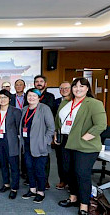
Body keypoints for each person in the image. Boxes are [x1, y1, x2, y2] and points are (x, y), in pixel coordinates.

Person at [56, 78, 107, 215]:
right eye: (75, 86)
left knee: (81, 173)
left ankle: (84, 204)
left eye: (81, 86)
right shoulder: (66, 102)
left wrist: (84, 138)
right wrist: (57, 132)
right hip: (66, 141)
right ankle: (73, 197)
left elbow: (101, 125)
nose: (78, 89)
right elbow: (59, 120)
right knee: (68, 171)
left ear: (87, 88)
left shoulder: (94, 103)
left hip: (85, 144)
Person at [19, 88, 54, 203]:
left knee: (39, 170)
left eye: (34, 96)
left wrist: (45, 142)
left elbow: (51, 128)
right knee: (29, 168)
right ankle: (32, 189)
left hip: (40, 145)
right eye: (29, 95)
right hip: (27, 144)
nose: (31, 98)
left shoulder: (44, 109)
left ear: (39, 97)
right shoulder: (24, 109)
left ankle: (41, 192)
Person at [0, 89, 21, 199]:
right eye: (0, 97)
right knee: (3, 163)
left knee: (14, 165)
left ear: (9, 99)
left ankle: (14, 188)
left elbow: (18, 128)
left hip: (11, 140)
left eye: (4, 97)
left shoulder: (15, 111)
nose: (2, 100)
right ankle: (6, 184)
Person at [53, 81, 71, 190]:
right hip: (59, 134)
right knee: (60, 158)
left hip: (72, 135)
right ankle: (63, 180)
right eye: (62, 89)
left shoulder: (75, 102)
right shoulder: (56, 102)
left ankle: (71, 183)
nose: (64, 90)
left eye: (67, 88)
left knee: (71, 160)